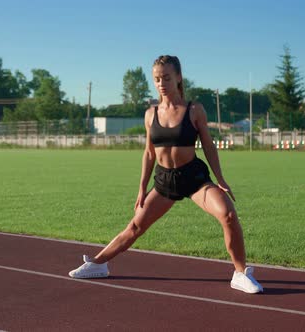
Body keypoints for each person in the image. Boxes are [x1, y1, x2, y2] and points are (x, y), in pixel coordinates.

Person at [69, 55, 263, 294]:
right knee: (135, 227)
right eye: (157, 79)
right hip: (164, 181)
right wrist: (141, 187)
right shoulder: (151, 114)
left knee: (228, 214)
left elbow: (209, 146)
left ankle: (240, 273)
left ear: (179, 78)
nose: (161, 83)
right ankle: (97, 264)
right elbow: (149, 153)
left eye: (166, 78)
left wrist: (220, 178)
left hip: (194, 178)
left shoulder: (194, 110)